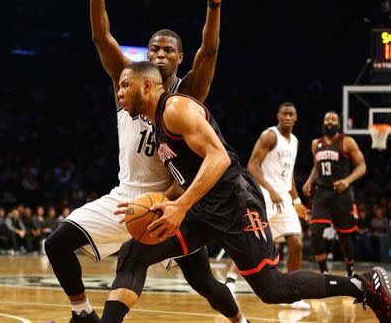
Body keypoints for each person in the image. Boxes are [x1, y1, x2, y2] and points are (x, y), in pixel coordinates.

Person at [98, 61, 390, 323]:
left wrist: (181, 205)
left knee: (272, 289)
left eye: (126, 85)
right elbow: (188, 174)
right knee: (133, 253)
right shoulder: (156, 124)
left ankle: (365, 284)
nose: (119, 92)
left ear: (147, 86)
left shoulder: (175, 108)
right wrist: (162, 202)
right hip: (202, 207)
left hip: (235, 202)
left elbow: (218, 158)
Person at [45, 0, 245, 323]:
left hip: (171, 200)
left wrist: (214, 7)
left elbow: (210, 50)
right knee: (57, 243)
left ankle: (239, 320)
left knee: (203, 282)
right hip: (126, 194)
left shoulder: (187, 95)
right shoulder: (127, 83)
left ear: (179, 58)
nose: (159, 53)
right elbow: (102, 37)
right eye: (154, 47)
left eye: (169, 49)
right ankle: (82, 313)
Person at [224, 103, 310, 310]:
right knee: (251, 241)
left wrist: (297, 201)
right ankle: (229, 280)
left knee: (297, 243)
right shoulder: (270, 136)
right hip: (264, 196)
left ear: (296, 118)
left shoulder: (295, 141)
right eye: (285, 114)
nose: (288, 117)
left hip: (284, 199)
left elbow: (289, 177)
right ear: (278, 115)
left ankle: (292, 292)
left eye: (292, 114)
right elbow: (252, 166)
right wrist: (270, 190)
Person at [302, 111, 366, 277]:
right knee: (315, 231)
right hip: (321, 192)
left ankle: (351, 271)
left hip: (341, 192)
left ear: (338, 123)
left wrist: (347, 181)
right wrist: (310, 180)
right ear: (323, 122)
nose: (329, 122)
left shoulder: (347, 141)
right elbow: (317, 166)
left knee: (345, 236)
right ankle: (324, 272)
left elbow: (362, 166)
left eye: (333, 119)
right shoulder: (316, 143)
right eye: (327, 119)